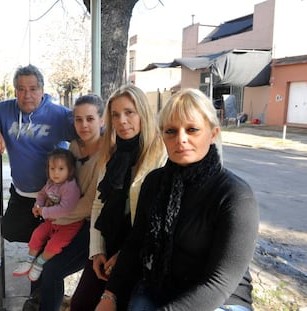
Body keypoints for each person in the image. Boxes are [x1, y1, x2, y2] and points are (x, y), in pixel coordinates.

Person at [96, 88, 259, 311]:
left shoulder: (235, 195)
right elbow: (135, 244)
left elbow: (219, 283)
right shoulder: (154, 183)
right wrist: (109, 295)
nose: (181, 139)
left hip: (221, 300)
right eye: (171, 131)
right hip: (160, 288)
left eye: (192, 129)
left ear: (213, 133)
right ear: (162, 135)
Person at [70, 85, 167, 310]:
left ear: (142, 113)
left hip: (142, 250)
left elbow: (159, 218)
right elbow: (99, 203)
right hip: (108, 243)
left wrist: (125, 257)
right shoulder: (112, 154)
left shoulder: (160, 153)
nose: (122, 120)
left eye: (129, 112)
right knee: (81, 303)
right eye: (115, 115)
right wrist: (97, 251)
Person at [0, 64, 76, 244]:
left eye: (33, 89)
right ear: (15, 91)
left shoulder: (60, 114)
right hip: (22, 193)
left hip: (54, 195)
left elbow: (88, 131)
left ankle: (44, 263)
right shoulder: (5, 110)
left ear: (42, 90)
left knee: (53, 242)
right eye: (21, 89)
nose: (27, 95)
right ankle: (39, 255)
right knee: (10, 232)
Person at [22, 94, 105, 311]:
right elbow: (64, 182)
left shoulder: (108, 152)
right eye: (78, 119)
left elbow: (91, 203)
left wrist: (53, 214)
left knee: (53, 269)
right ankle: (36, 304)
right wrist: (46, 202)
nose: (84, 125)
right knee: (38, 257)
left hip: (92, 225)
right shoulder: (75, 147)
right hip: (66, 216)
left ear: (102, 120)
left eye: (90, 119)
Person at [12, 148, 83, 282]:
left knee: (54, 245)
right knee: (37, 234)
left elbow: (66, 209)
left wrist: (44, 211)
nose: (56, 173)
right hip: (52, 220)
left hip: (69, 224)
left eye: (61, 169)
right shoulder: (51, 183)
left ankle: (39, 262)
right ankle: (29, 260)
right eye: (52, 168)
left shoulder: (70, 187)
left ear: (70, 170)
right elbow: (42, 194)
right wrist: (38, 205)